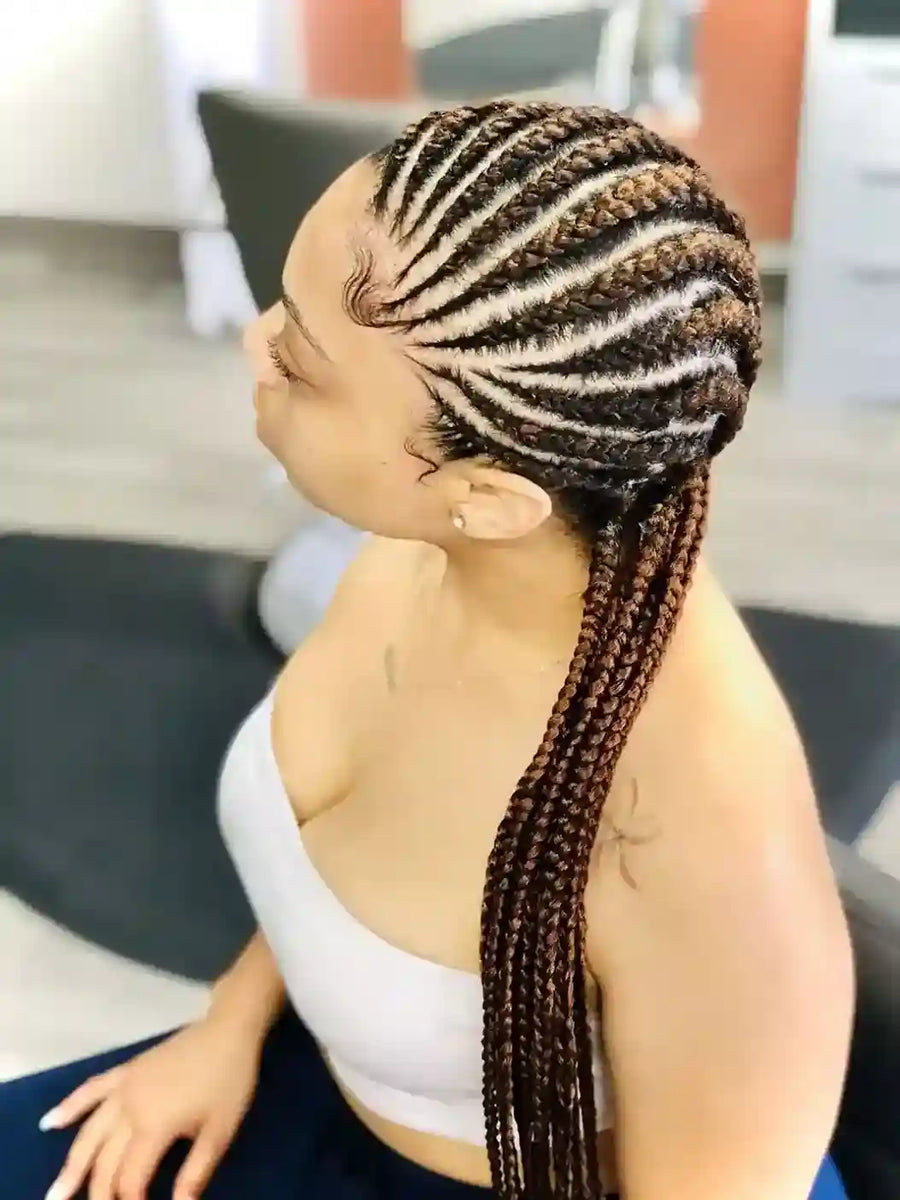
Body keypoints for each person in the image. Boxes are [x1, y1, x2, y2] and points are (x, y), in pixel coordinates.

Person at [1, 101, 854, 1200]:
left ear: (487, 498)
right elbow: (341, 875)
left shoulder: (700, 839)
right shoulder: (427, 544)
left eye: (299, 362)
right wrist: (230, 1025)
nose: (255, 341)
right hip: (309, 1080)